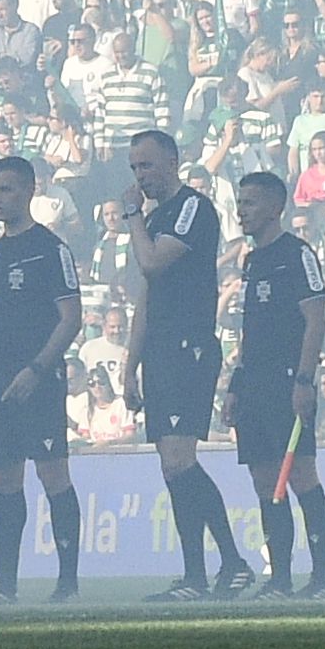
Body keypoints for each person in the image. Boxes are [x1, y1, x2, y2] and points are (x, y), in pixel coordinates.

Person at [116, 129, 250, 599]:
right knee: (171, 467)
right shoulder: (154, 219)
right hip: (160, 349)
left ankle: (227, 563)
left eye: (147, 165)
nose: (140, 176)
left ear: (171, 162)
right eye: (134, 168)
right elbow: (145, 297)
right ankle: (201, 573)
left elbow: (152, 264)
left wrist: (132, 215)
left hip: (188, 346)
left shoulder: (191, 209)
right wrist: (130, 363)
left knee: (179, 459)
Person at [0, 155, 82, 601]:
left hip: (39, 382)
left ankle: (67, 582)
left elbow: (71, 318)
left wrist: (39, 369)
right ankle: (5, 583)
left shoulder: (51, 249)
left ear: (30, 191)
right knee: (4, 482)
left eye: (7, 189)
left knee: (54, 476)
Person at [229, 168, 325, 596]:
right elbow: (250, 330)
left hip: (288, 382)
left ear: (275, 207)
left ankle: (322, 579)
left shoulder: (297, 253)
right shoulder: (251, 261)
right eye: (240, 203)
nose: (242, 211)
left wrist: (305, 380)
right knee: (263, 480)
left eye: (250, 203)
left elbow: (315, 319)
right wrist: (236, 383)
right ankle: (280, 579)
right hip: (253, 383)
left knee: (300, 475)